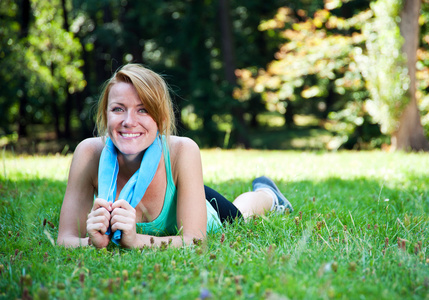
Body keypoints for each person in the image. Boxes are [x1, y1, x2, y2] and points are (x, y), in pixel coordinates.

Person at [57, 63, 293, 249]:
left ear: (161, 119)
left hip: (198, 203)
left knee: (240, 214)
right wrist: (92, 243)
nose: (129, 121)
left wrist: (135, 241)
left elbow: (195, 241)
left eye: (143, 110)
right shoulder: (88, 153)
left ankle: (269, 195)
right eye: (118, 109)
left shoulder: (182, 150)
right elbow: (65, 239)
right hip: (178, 193)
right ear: (106, 115)